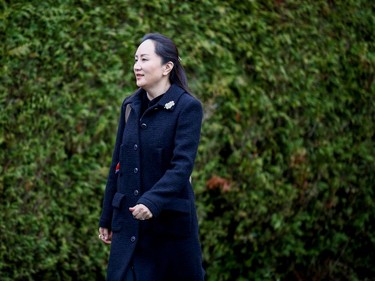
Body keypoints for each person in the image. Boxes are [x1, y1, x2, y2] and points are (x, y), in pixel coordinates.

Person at [98, 33, 205, 281]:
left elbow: (182, 167)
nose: (137, 66)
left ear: (167, 67)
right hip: (129, 225)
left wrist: (152, 202)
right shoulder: (130, 106)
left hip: (169, 232)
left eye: (144, 59)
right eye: (136, 59)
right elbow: (118, 165)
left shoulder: (187, 107)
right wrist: (107, 217)